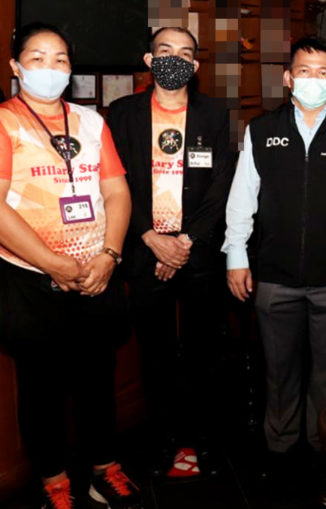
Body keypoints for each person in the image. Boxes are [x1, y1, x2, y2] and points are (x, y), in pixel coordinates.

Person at [0, 23, 143, 509]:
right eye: (38, 58)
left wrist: (109, 255)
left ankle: (102, 468)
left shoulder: (91, 122)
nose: (52, 68)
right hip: (32, 280)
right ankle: (53, 482)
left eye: (61, 59)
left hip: (96, 272)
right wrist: (55, 264)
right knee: (42, 389)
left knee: (97, 381)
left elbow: (117, 193)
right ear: (17, 67)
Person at [222, 36, 326, 466]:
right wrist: (236, 255)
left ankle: (323, 443)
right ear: (289, 78)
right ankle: (279, 446)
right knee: (278, 371)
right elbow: (243, 199)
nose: (313, 80)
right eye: (304, 71)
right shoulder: (262, 130)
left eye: (323, 73)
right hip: (274, 274)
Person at [107, 26, 235, 479]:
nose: (174, 59)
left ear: (196, 66)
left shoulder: (215, 114)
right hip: (144, 252)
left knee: (207, 353)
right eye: (165, 51)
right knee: (155, 354)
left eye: (185, 53)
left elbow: (223, 184)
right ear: (148, 59)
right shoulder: (120, 114)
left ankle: (207, 440)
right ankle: (162, 440)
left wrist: (185, 241)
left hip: (197, 254)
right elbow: (114, 182)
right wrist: (149, 235)